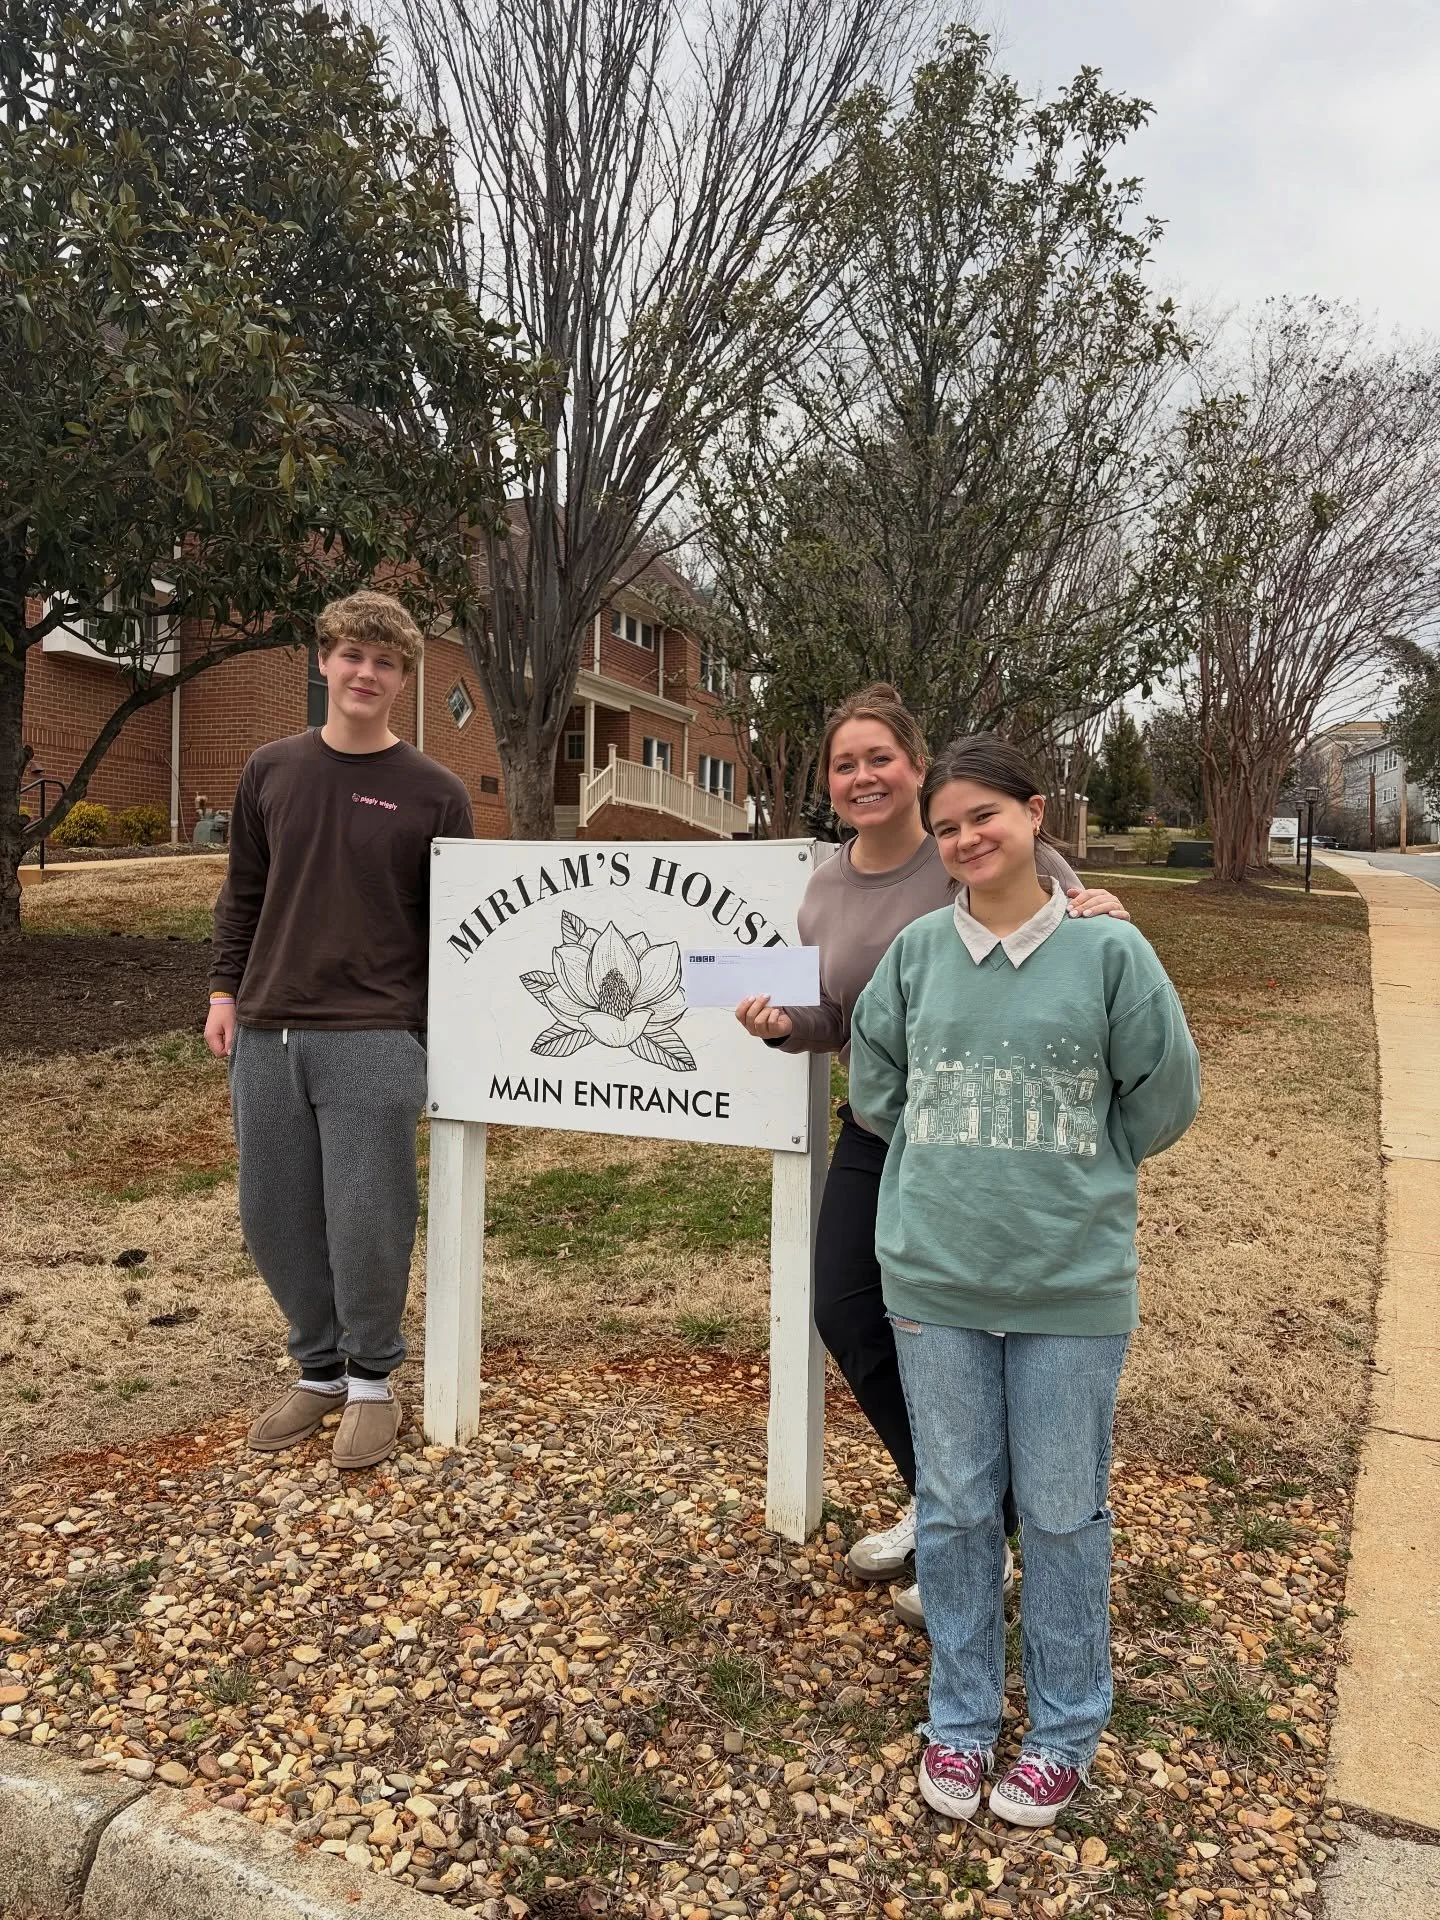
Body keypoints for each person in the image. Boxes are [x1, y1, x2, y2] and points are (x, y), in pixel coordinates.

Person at [848, 733, 1200, 1827]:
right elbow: (877, 1081)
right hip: (936, 1276)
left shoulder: (1108, 953)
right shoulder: (914, 954)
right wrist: (952, 1155)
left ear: (1034, 815)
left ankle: (1062, 1727)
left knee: (1058, 1511)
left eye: (981, 818)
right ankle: (956, 1719)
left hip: (1069, 1284)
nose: (963, 840)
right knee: (952, 1509)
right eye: (946, 827)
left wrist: (1074, 1160)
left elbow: (1163, 1096)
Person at [734, 686, 1128, 1626]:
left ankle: (973, 1528)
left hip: (982, 1140)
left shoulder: (967, 843)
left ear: (916, 766)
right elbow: (842, 1015)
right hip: (879, 1132)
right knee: (846, 1309)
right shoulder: (824, 885)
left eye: (880, 758)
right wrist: (787, 1025)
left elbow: (1072, 931)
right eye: (844, 764)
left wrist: (1102, 908)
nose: (863, 777)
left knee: (962, 1332)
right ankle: (956, 1510)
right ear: (828, 784)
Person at [205, 590, 473, 1470]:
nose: (366, 673)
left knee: (368, 1216)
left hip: (375, 1035)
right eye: (352, 655)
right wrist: (224, 995)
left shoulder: (435, 793)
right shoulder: (271, 769)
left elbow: (456, 930)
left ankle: (371, 1381)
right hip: (269, 1029)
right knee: (274, 1213)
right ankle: (316, 1370)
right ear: (323, 662)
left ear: (404, 678)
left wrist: (433, 1041)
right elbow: (244, 892)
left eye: (386, 662)